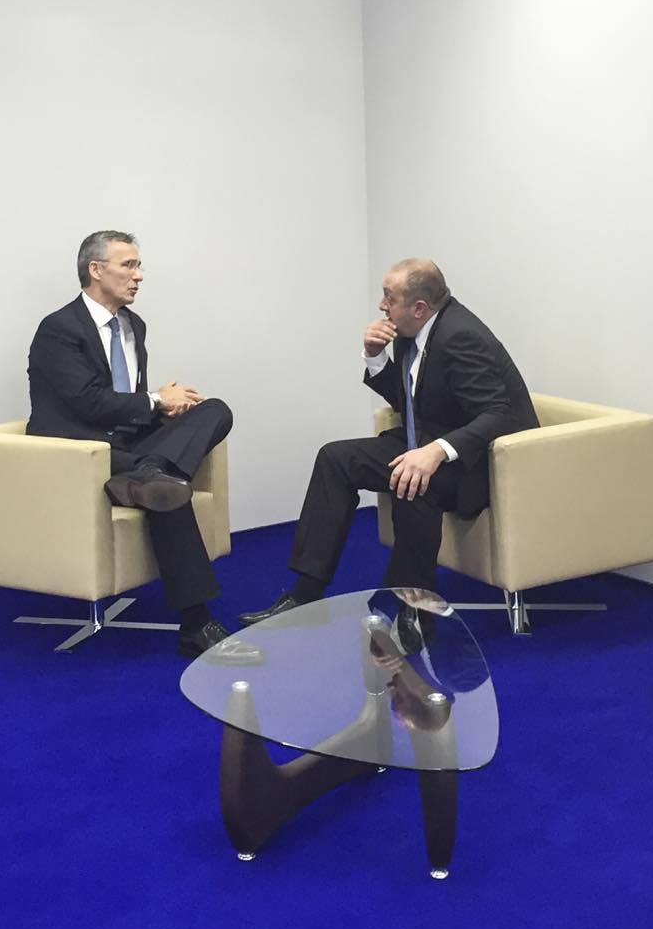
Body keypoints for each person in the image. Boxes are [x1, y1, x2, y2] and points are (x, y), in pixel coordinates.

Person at [241, 258, 538, 623]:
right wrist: (374, 356)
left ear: (419, 307)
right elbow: (409, 401)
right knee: (336, 459)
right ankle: (306, 594)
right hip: (430, 439)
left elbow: (498, 414)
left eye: (389, 297)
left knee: (413, 482)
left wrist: (435, 451)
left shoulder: (460, 336)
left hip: (484, 462)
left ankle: (412, 613)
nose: (381, 305)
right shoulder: (410, 331)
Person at [28, 230, 259, 664]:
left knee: (214, 410)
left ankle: (150, 470)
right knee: (167, 492)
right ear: (96, 270)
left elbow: (127, 404)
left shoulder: (134, 326)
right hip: (81, 453)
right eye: (129, 265)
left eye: (139, 266)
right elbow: (86, 403)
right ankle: (196, 625)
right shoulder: (59, 329)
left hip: (128, 446)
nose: (139, 276)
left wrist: (163, 411)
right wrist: (155, 401)